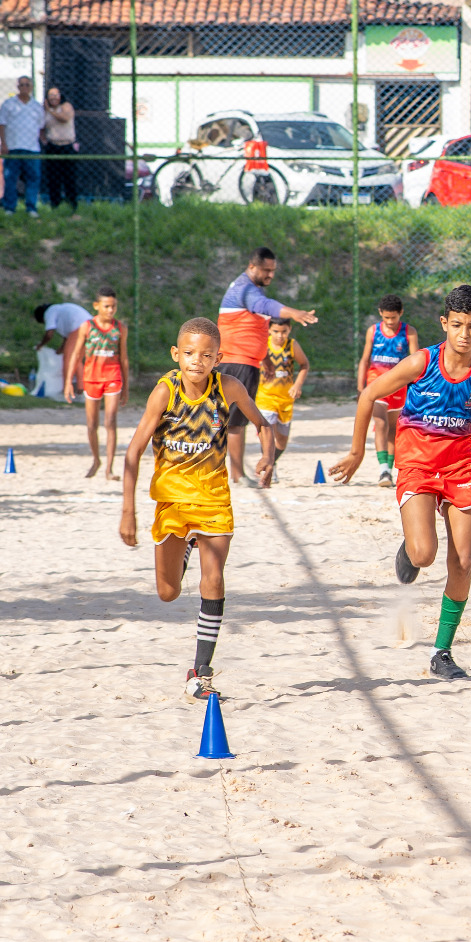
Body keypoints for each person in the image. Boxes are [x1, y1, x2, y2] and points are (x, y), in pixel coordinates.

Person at [330, 285, 471, 680]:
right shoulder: (421, 362)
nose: (465, 334)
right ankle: (411, 548)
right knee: (425, 553)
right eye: (458, 325)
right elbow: (369, 395)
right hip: (416, 466)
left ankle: (441, 652)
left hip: (459, 469)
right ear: (445, 323)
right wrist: (357, 453)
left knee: (463, 561)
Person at [118, 317, 277, 701]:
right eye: (189, 353)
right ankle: (187, 545)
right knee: (168, 592)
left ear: (218, 358)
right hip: (172, 500)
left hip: (213, 499)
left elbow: (262, 424)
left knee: (214, 579)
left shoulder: (229, 387)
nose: (197, 361)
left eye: (206, 355)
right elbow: (134, 451)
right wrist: (128, 511)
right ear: (176, 354)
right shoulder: (165, 392)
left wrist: (268, 456)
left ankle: (200, 672)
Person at [215, 247, 319, 485]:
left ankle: (235, 474)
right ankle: (237, 476)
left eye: (273, 270)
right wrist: (293, 313)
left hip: (246, 361)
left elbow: (251, 328)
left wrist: (264, 358)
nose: (270, 275)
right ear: (252, 266)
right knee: (235, 423)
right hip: (237, 362)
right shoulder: (246, 289)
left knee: (234, 421)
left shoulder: (249, 288)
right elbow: (265, 306)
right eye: (266, 270)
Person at [64, 286, 129, 480]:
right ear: (96, 306)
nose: (110, 310)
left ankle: (109, 469)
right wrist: (68, 381)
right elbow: (76, 354)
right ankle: (96, 460)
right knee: (92, 424)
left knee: (110, 421)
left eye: (113, 306)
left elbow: (124, 358)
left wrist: (126, 387)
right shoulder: (87, 327)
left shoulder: (120, 328)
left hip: (112, 377)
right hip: (91, 378)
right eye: (106, 306)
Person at [356, 294, 419, 486]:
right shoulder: (373, 331)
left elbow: (416, 361)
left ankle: (388, 472)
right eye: (386, 317)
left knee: (393, 428)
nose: (390, 321)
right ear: (380, 313)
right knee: (380, 423)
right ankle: (382, 468)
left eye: (394, 317)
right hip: (375, 384)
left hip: (398, 386)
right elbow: (365, 360)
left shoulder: (409, 332)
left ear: (401, 313)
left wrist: (417, 387)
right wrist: (360, 387)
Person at [254, 317, 309, 484]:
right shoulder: (263, 345)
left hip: (286, 400)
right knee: (267, 433)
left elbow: (304, 365)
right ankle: (268, 465)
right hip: (265, 397)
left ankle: (272, 461)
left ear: (289, 330)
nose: (280, 335)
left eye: (284, 331)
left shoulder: (292, 345)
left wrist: (297, 385)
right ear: (269, 330)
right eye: (276, 331)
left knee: (282, 442)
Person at [0, 75, 45, 217]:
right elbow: (1, 124)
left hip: (32, 148)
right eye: (21, 85)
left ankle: (31, 207)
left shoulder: (37, 106)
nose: (24, 87)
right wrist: (3, 144)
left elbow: (41, 126)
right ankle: (10, 207)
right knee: (10, 178)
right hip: (13, 146)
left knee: (33, 178)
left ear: (31, 87)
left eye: (27, 85)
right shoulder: (8, 104)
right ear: (18, 87)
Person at [34, 300, 93, 388]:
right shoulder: (60, 311)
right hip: (91, 326)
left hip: (80, 326)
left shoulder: (49, 312)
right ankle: (81, 387)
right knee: (77, 358)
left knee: (69, 358)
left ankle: (67, 388)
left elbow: (49, 334)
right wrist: (60, 349)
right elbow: (67, 339)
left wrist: (41, 345)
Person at [41, 87, 78, 216]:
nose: (53, 97)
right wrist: (44, 140)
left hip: (67, 146)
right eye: (50, 95)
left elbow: (65, 118)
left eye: (56, 95)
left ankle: (72, 205)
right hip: (53, 146)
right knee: (53, 178)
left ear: (60, 96)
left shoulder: (66, 106)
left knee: (69, 178)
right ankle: (55, 205)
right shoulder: (45, 111)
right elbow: (41, 127)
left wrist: (50, 111)